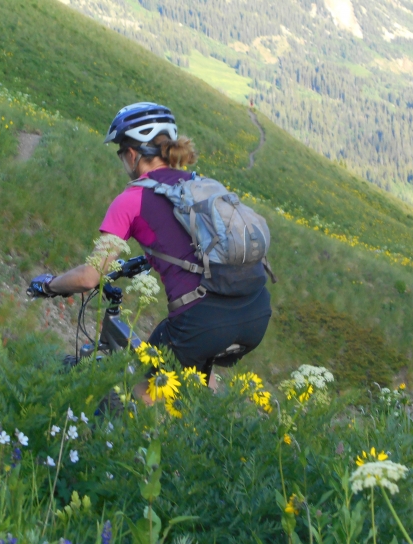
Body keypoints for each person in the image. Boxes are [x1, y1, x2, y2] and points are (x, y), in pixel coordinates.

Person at [29, 102, 272, 391]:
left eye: (121, 153)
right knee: (197, 374)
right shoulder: (198, 185)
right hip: (256, 310)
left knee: (143, 393)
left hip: (201, 321)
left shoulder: (130, 200)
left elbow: (90, 277)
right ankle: (205, 420)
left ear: (132, 154)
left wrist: (49, 285)